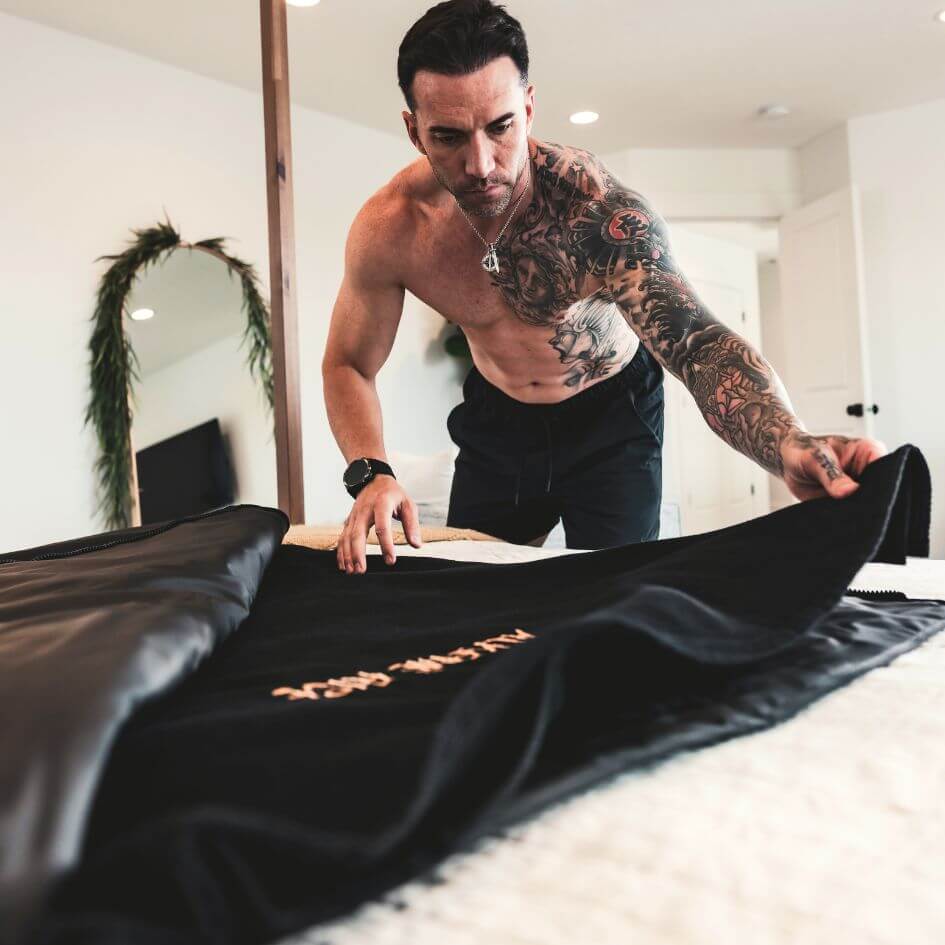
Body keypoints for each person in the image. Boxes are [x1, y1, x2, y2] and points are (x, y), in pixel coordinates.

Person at [322, 0, 886, 575]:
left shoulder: (597, 214)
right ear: (413, 129)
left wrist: (785, 441)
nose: (482, 164)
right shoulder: (391, 230)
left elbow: (696, 344)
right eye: (448, 137)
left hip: (612, 416)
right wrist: (372, 472)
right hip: (498, 422)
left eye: (501, 127)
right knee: (473, 585)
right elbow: (347, 364)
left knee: (617, 592)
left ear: (529, 106)